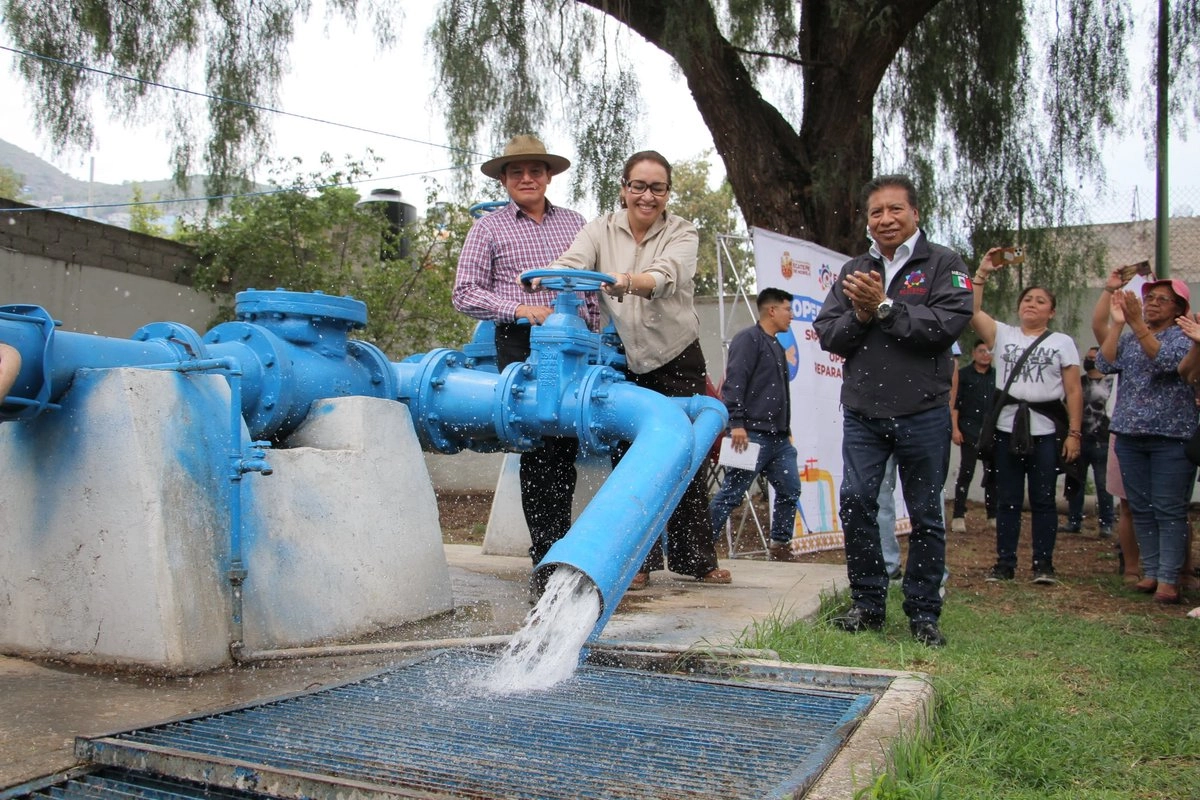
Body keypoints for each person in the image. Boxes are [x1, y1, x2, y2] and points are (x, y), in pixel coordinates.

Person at [544, 149, 730, 588]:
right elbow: (571, 263)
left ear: (667, 193)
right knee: (630, 461)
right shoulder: (599, 230)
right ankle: (638, 562)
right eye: (639, 186)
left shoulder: (683, 232)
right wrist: (545, 276)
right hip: (626, 359)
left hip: (677, 356)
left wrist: (628, 281)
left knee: (685, 455)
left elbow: (667, 275)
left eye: (657, 188)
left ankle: (696, 559)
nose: (647, 196)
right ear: (624, 189)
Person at [813, 174, 973, 648]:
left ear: (916, 213)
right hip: (864, 412)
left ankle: (924, 612)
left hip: (923, 411)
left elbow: (945, 325)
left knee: (926, 514)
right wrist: (860, 314)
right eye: (876, 212)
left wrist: (883, 308)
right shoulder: (854, 270)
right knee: (857, 504)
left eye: (895, 210)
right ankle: (867, 604)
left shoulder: (943, 263)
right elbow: (828, 334)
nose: (885, 219)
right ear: (867, 221)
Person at [451, 134, 597, 601]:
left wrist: (590, 329)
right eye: (517, 173)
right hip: (521, 341)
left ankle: (565, 555)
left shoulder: (576, 223)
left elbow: (592, 289)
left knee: (566, 447)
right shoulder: (489, 228)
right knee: (538, 452)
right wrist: (519, 308)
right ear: (504, 180)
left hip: (576, 345)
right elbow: (465, 292)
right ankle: (546, 561)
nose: (527, 179)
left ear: (549, 176)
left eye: (536, 170)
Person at [971, 250, 1082, 585]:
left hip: (1045, 431)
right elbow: (972, 310)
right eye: (1027, 299)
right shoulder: (1004, 335)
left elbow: (1074, 391)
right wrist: (982, 274)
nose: (1031, 304)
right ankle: (1005, 563)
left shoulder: (1062, 342)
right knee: (1007, 499)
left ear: (1051, 311)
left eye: (1040, 301)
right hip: (1007, 429)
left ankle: (1043, 564)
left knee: (1044, 499)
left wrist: (1074, 433)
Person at [1097, 275, 1200, 605]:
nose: (1152, 302)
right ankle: (1152, 572)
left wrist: (1138, 323)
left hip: (1171, 436)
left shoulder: (1184, 336)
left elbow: (1169, 362)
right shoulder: (1129, 337)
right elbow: (1104, 363)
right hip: (1129, 433)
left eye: (1161, 299)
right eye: (1149, 297)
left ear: (1179, 309)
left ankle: (1170, 580)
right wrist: (1117, 324)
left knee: (1168, 509)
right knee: (1140, 508)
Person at [708, 288, 802, 560]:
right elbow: (734, 382)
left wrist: (787, 428)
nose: (791, 316)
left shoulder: (776, 344)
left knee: (790, 488)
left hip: (779, 439)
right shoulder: (748, 339)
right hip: (749, 436)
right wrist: (736, 423)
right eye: (787, 309)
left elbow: (777, 393)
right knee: (731, 494)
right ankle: (700, 547)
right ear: (772, 310)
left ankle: (780, 546)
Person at [1062, 346, 1115, 536]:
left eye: (1093, 357)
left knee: (1103, 485)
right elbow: (1066, 405)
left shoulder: (1112, 383)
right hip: (1079, 439)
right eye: (1087, 357)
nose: (1089, 360)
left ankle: (1106, 523)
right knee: (1076, 482)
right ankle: (1074, 521)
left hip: (1103, 441)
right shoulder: (1078, 382)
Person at [949, 340, 997, 532]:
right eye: (981, 351)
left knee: (992, 475)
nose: (985, 355)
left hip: (991, 432)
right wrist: (955, 429)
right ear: (974, 353)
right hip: (969, 431)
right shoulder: (963, 376)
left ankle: (993, 515)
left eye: (988, 351)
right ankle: (959, 515)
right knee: (966, 473)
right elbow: (955, 405)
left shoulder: (997, 377)